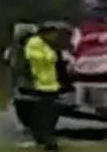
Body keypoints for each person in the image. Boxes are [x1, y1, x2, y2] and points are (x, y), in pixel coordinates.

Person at [22, 22, 72, 151]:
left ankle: (48, 139)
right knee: (44, 115)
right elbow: (38, 58)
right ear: (46, 33)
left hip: (51, 85)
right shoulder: (35, 42)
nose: (55, 36)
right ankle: (46, 140)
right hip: (41, 85)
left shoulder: (47, 44)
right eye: (53, 33)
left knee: (51, 115)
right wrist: (53, 55)